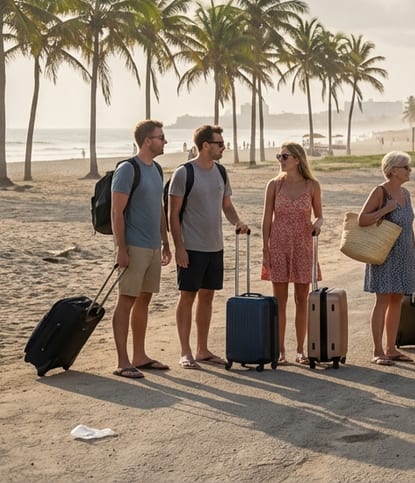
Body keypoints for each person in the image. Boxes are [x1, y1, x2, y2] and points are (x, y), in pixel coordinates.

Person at [168, 125, 249, 369]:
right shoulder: (184, 173)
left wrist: (238, 222)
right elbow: (172, 214)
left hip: (215, 247)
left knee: (207, 297)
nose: (223, 147)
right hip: (191, 247)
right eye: (220, 144)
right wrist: (178, 247)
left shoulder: (221, 172)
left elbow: (226, 205)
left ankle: (202, 350)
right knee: (187, 297)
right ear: (205, 145)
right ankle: (185, 351)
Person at [109, 120, 173, 379]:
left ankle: (139, 355)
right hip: (133, 246)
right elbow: (117, 212)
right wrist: (120, 249)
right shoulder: (127, 169)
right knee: (126, 300)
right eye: (161, 137)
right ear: (147, 140)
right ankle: (123, 361)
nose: (164, 141)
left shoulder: (156, 169)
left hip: (152, 246)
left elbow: (158, 207)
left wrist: (165, 241)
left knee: (144, 299)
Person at [261, 141, 324, 365]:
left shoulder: (312, 185)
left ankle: (300, 350)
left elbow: (320, 216)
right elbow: (267, 219)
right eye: (279, 156)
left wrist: (318, 225)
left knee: (301, 299)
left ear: (297, 159)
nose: (281, 160)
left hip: (303, 244)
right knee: (280, 300)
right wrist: (265, 249)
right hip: (278, 243)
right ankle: (280, 351)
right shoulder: (274, 185)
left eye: (285, 156)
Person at [357, 151, 415, 366]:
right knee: (382, 300)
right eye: (406, 167)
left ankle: (391, 348)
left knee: (397, 300)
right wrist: (384, 210)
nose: (409, 170)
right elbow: (362, 220)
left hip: (404, 253)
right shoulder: (380, 191)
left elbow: (408, 227)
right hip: (384, 253)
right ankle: (377, 350)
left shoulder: (406, 193)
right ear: (393, 170)